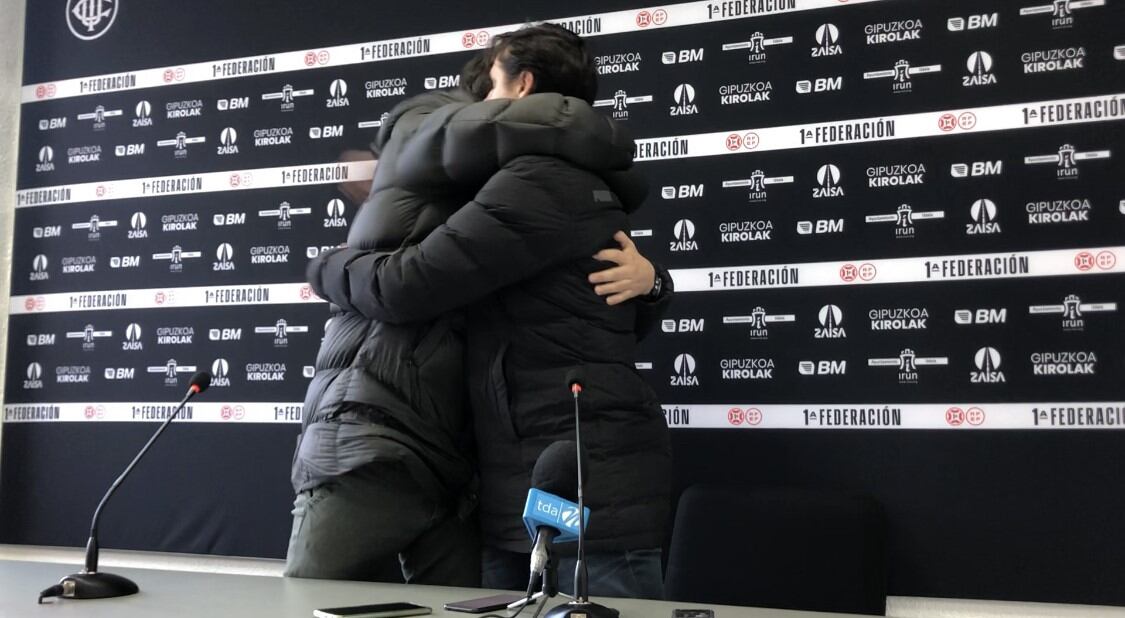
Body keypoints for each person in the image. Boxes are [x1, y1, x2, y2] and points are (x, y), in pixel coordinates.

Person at [307, 23, 673, 599]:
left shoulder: (540, 180)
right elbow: (602, 310)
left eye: (492, 84)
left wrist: (328, 267)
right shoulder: (565, 178)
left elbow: (409, 284)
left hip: (582, 493)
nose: (477, 104)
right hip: (530, 484)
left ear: (523, 85)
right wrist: (655, 287)